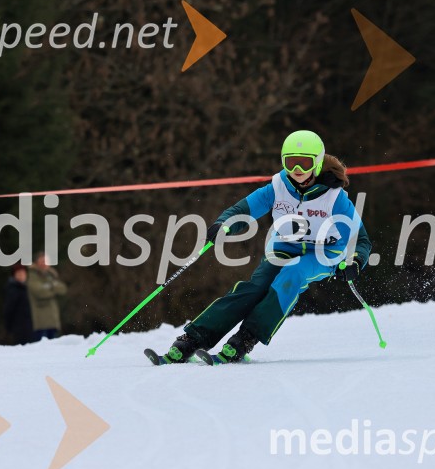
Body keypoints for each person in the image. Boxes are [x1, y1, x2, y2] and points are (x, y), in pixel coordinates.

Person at [158, 130, 372, 364]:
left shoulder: (334, 198)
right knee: (255, 288)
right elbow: (243, 210)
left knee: (293, 275)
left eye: (304, 163)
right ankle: (193, 339)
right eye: (290, 163)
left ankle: (245, 339)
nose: (297, 171)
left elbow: (361, 239)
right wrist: (224, 224)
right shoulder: (278, 187)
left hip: (323, 253)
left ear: (318, 163)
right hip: (284, 246)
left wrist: (356, 261)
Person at [27, 252, 67, 341]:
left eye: (46, 261)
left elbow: (63, 289)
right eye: (42, 261)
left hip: (53, 321)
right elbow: (40, 292)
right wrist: (54, 289)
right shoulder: (32, 275)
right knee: (43, 350)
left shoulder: (51, 275)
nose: (44, 263)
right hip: (41, 323)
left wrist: (50, 287)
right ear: (36, 262)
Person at [4, 264, 34, 345]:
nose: (22, 275)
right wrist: (9, 327)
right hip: (18, 327)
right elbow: (8, 309)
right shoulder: (13, 290)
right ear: (14, 275)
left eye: (23, 273)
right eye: (19, 273)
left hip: (30, 325)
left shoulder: (27, 288)